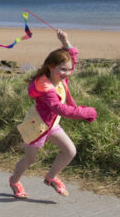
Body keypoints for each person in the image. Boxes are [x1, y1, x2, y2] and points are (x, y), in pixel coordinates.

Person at [9, 30, 97, 199]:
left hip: (52, 124)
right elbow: (59, 109)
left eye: (69, 70)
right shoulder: (45, 87)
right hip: (36, 126)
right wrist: (87, 112)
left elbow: (72, 58)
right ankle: (14, 181)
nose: (66, 73)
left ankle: (51, 177)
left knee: (70, 151)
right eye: (62, 69)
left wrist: (65, 41)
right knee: (29, 160)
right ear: (50, 67)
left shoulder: (60, 77)